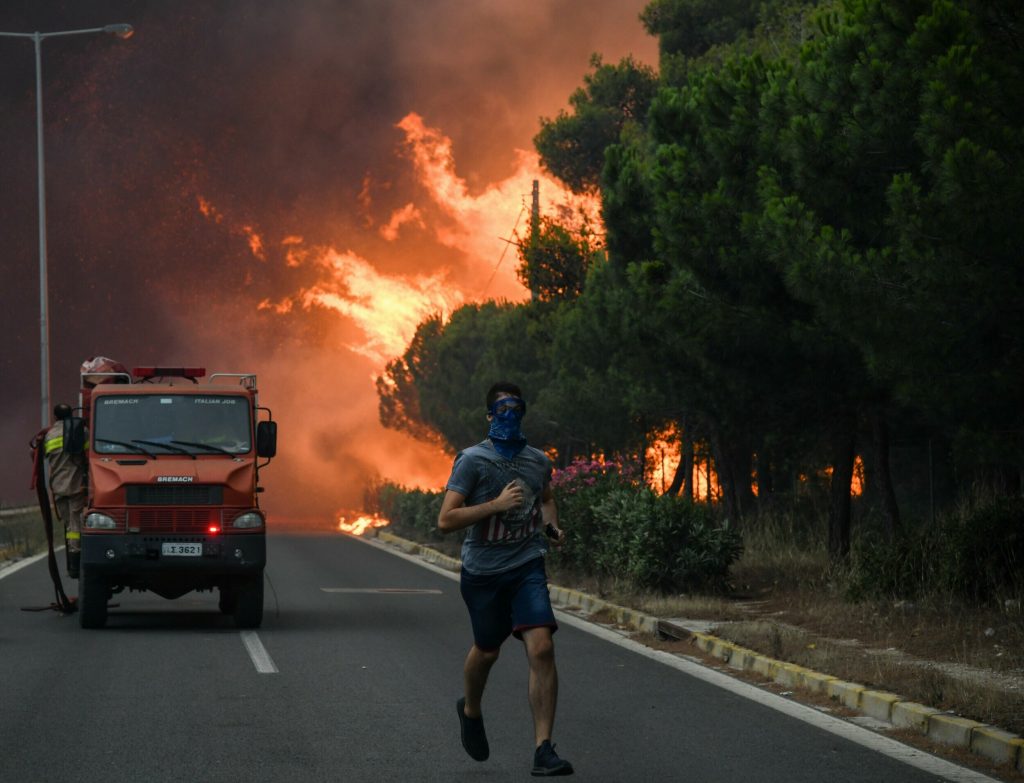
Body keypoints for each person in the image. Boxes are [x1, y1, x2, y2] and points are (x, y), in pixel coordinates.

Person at [438, 381, 573, 777]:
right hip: (482, 572)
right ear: (489, 416)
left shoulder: (537, 460)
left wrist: (551, 528)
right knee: (488, 650)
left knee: (542, 647)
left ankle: (543, 750)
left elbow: (545, 497)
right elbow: (445, 519)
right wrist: (496, 505)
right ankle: (470, 709)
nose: (510, 416)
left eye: (517, 408)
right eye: (502, 409)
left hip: (526, 564)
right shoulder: (472, 461)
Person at [43, 403, 88, 579]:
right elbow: (90, 453)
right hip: (76, 485)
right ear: (71, 415)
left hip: (58, 487)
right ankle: (76, 563)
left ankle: (73, 560)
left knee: (70, 525)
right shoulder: (81, 431)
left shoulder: (48, 436)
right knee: (76, 525)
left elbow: (44, 456)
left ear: (55, 417)